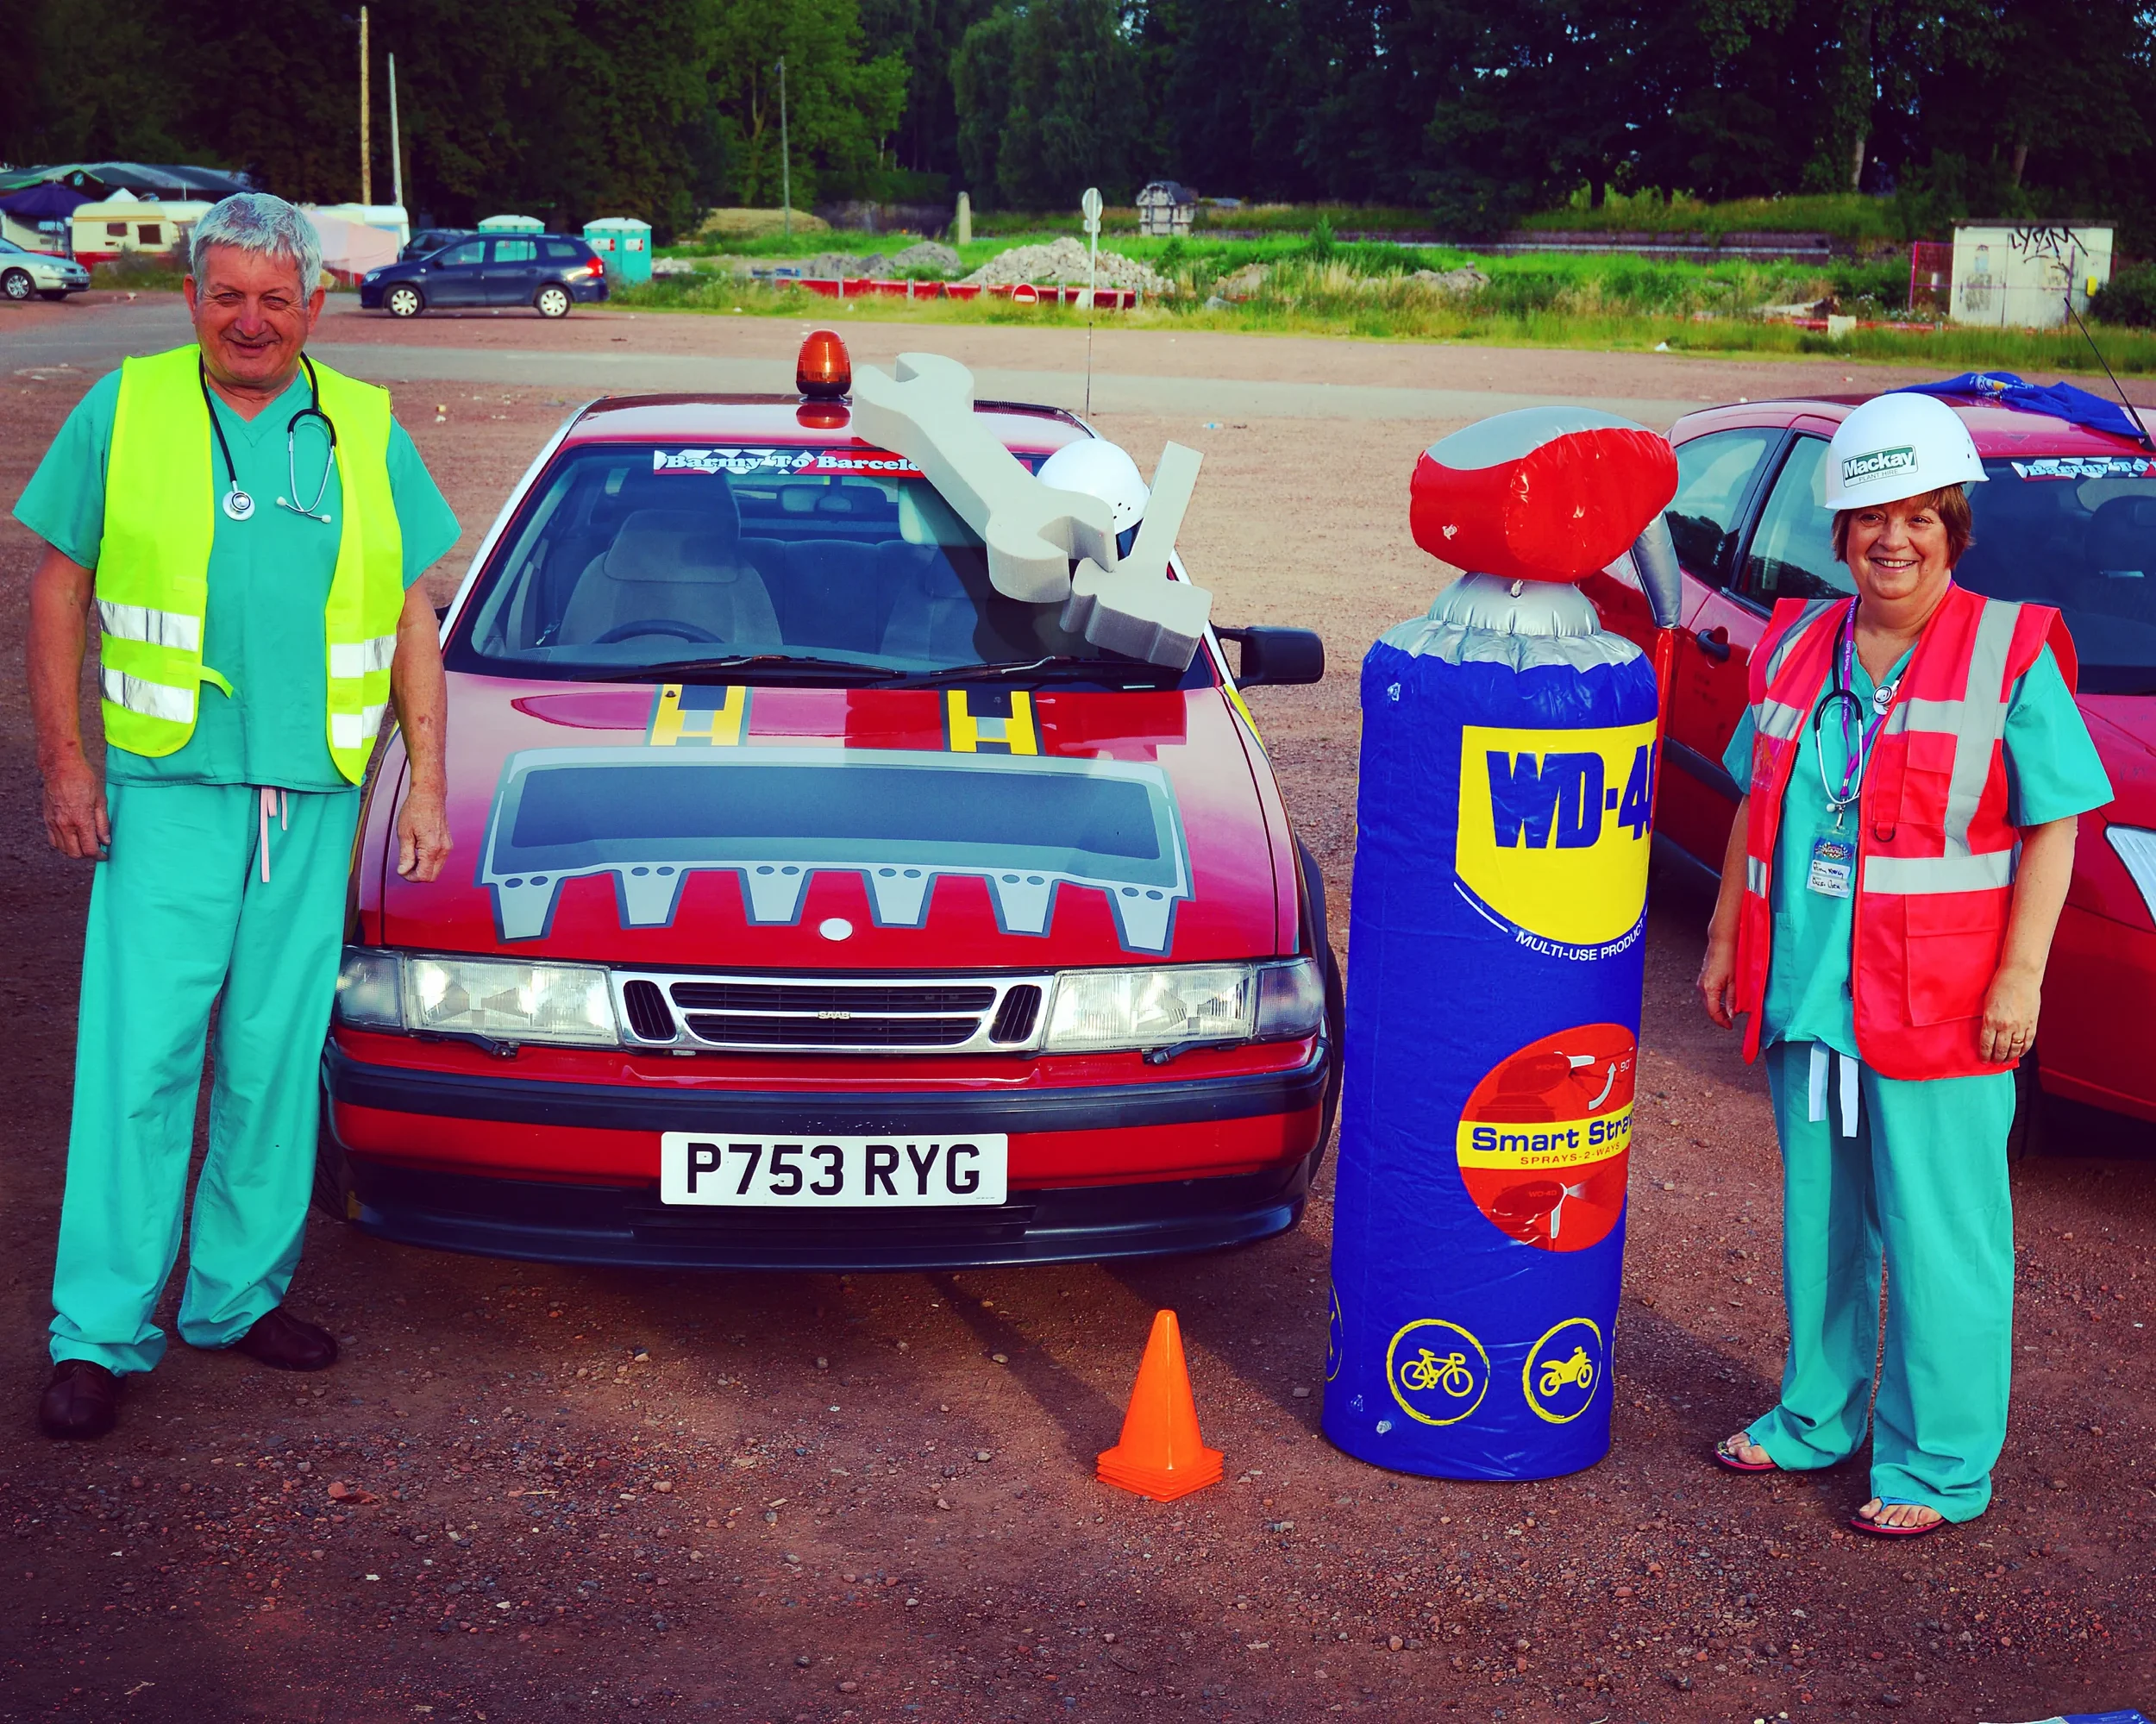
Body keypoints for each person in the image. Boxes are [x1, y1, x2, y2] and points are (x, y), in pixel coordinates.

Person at [21, 192, 461, 1439]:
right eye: (229, 295)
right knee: (141, 1060)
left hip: (311, 797)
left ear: (316, 307)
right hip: (168, 793)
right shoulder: (129, 406)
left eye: (277, 298)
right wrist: (67, 762)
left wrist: (423, 782)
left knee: (271, 1063)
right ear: (192, 298)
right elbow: (61, 587)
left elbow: (410, 614)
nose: (251, 321)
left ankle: (234, 1295)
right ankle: (100, 1329)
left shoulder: (364, 427)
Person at [1695, 392, 2111, 1536]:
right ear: (1839, 530)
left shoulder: (2007, 650)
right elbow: (1754, 803)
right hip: (1812, 994)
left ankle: (1936, 1466)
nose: (1897, 538)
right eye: (1874, 515)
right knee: (1823, 1225)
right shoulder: (1794, 646)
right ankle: (1817, 1413)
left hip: (1945, 1005)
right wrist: (1731, 933)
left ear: (1954, 527)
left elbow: (2057, 823)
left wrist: (2022, 977)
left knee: (1942, 1238)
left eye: (1923, 515)